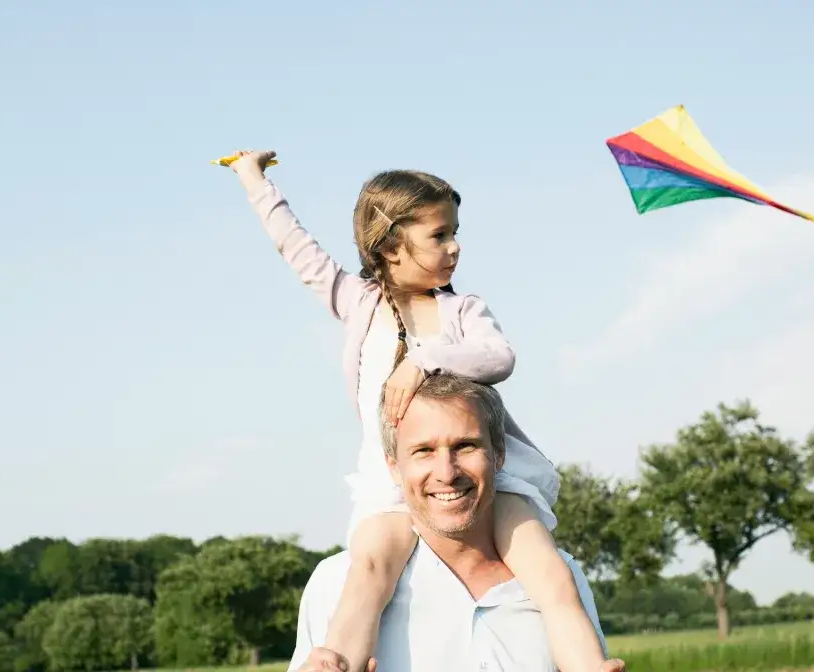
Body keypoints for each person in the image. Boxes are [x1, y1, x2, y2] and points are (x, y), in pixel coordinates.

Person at [228, 150, 607, 671]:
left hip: (486, 477)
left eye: (455, 232)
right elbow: (295, 248)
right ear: (389, 245)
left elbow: (500, 356)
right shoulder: (358, 304)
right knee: (370, 570)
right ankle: (335, 661)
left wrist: (423, 361)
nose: (455, 247)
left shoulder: (461, 310)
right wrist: (253, 179)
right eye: (439, 235)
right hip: (393, 480)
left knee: (548, 571)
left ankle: (590, 666)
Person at [288, 374, 626, 672]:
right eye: (423, 451)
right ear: (393, 466)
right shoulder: (336, 583)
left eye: (465, 446)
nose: (447, 473)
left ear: (499, 455)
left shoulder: (560, 574)